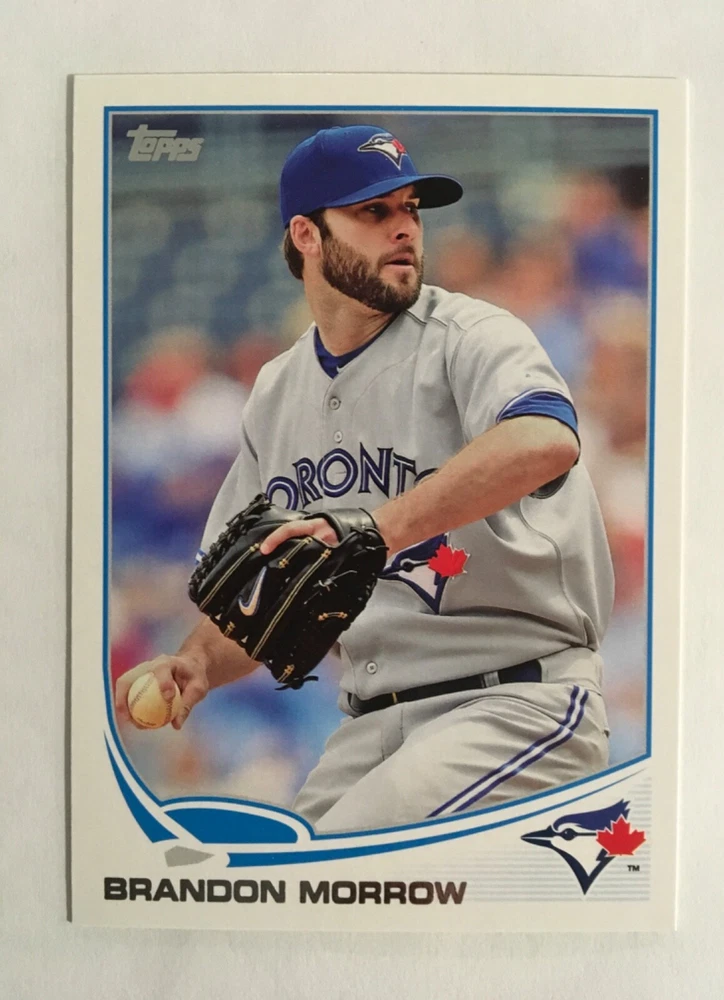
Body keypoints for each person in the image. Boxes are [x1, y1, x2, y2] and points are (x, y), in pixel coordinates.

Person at [116, 125, 614, 833]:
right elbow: (260, 592)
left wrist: (378, 528)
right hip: (371, 723)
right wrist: (196, 662)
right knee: (287, 875)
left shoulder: (471, 335)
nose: (404, 228)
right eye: (373, 211)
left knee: (344, 863)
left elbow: (545, 440)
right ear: (307, 235)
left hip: (513, 700)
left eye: (410, 209)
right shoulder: (277, 391)